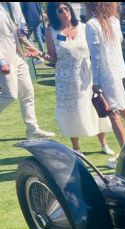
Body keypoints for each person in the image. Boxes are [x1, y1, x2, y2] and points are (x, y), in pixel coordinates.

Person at [45, 3, 113, 156]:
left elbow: (95, 51)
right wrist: (41, 55)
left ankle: (104, 143)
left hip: (86, 76)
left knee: (95, 107)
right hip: (66, 78)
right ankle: (76, 148)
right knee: (71, 112)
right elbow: (53, 58)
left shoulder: (83, 27)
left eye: (66, 8)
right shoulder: (52, 31)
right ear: (54, 14)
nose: (65, 12)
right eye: (60, 10)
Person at [85, 1, 125, 167]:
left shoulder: (92, 25)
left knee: (114, 114)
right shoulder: (114, 21)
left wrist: (96, 82)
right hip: (120, 69)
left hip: (107, 73)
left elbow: (96, 56)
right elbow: (119, 43)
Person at [0, 2, 54, 139]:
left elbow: (21, 22)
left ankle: (32, 129)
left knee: (28, 91)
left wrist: (23, 28)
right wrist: (1, 61)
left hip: (19, 54)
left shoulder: (14, 4)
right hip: (4, 57)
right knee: (10, 94)